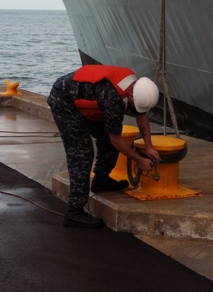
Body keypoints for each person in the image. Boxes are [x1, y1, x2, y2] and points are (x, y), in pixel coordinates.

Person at [47, 65, 162, 228]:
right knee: (82, 152)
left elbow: (141, 116)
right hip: (64, 101)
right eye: (133, 106)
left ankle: (101, 179)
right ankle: (75, 211)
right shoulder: (113, 98)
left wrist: (149, 147)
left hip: (89, 99)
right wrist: (139, 160)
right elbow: (116, 140)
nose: (135, 110)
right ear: (131, 95)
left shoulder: (137, 87)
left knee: (106, 139)